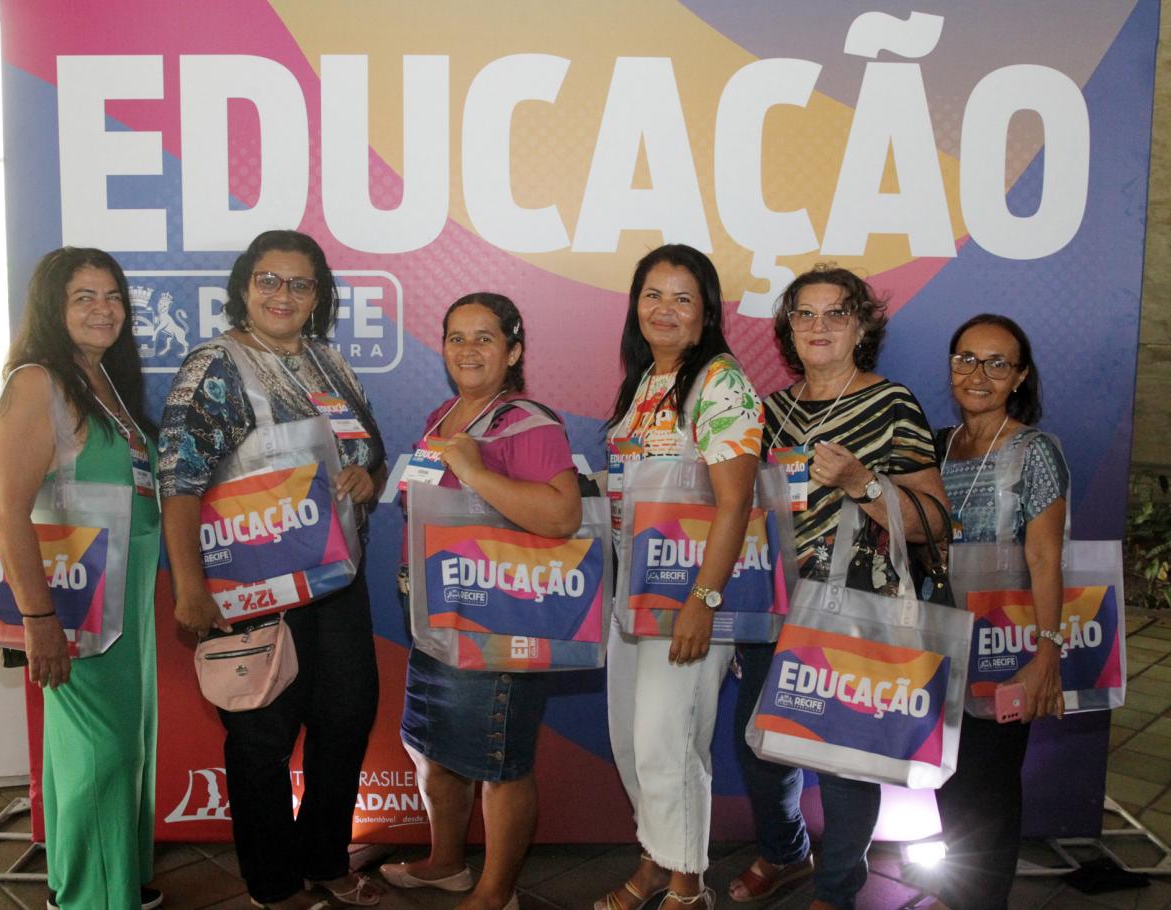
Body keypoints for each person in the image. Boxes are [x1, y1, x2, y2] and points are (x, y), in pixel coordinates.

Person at [159, 230, 386, 910]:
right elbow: (179, 484)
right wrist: (190, 589)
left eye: (300, 283)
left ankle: (323, 858)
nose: (283, 294)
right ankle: (273, 883)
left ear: (318, 297)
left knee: (346, 718)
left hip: (335, 582)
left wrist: (368, 478)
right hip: (255, 587)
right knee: (262, 734)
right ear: (244, 288)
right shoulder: (215, 366)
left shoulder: (329, 364)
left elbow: (369, 455)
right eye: (268, 280)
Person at [729, 265, 949, 910]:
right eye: (805, 313)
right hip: (775, 607)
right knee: (760, 745)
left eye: (836, 313)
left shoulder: (892, 404)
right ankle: (785, 852)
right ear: (788, 329)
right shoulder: (770, 411)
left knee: (846, 760)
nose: (819, 325)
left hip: (856, 610)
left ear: (861, 327)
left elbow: (935, 521)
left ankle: (837, 886)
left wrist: (862, 483)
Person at [380, 293, 582, 910]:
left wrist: (476, 473)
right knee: (434, 747)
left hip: (496, 620)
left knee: (499, 760)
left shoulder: (528, 422)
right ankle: (446, 864)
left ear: (513, 351)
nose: (467, 350)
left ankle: (497, 893)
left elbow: (563, 515)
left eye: (484, 338)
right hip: (436, 613)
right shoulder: (444, 415)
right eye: (456, 337)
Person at [0, 247, 163, 910]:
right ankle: (94, 898)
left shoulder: (103, 379)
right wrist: (39, 621)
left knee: (116, 747)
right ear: (51, 308)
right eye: (83, 297)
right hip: (76, 602)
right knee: (100, 751)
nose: (103, 309)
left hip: (126, 599)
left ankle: (101, 883)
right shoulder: (38, 382)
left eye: (113, 296)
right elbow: (7, 506)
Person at [597, 244, 764, 910]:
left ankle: (688, 887)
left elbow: (736, 502)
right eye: (652, 295)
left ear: (706, 314)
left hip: (690, 595)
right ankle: (656, 862)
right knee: (632, 742)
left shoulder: (719, 382)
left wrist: (703, 600)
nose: (664, 310)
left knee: (669, 742)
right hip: (635, 590)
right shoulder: (646, 381)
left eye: (682, 298)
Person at [930, 314, 1068, 910]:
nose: (978, 374)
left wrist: (1046, 655)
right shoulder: (937, 445)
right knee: (949, 781)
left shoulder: (1034, 451)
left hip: (1004, 651)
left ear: (1019, 376)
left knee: (988, 788)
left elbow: (1045, 558)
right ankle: (961, 894)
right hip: (939, 642)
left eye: (996, 363)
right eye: (966, 359)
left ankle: (981, 901)